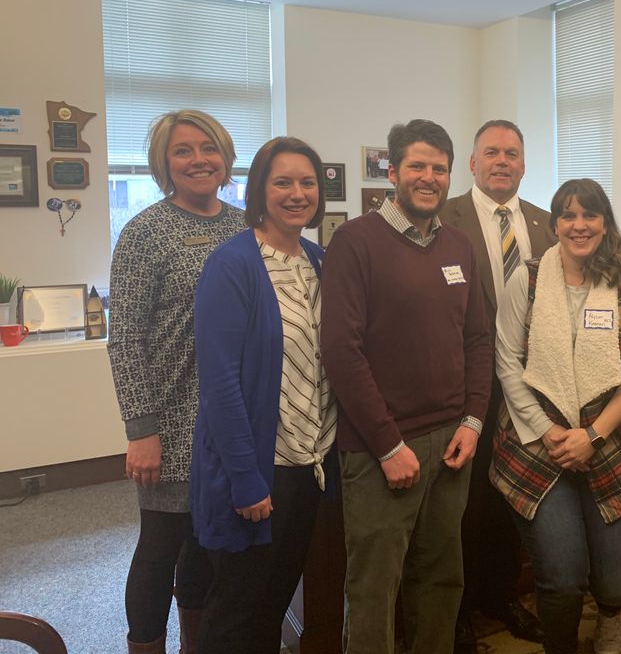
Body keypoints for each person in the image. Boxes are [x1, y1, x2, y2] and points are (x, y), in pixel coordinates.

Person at [321, 119, 492, 654]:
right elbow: (341, 353)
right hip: (381, 450)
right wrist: (388, 444)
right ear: (392, 172)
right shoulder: (354, 242)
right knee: (374, 587)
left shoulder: (459, 246)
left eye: (438, 168)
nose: (428, 177)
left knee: (442, 579)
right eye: (417, 166)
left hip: (452, 444)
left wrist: (473, 420)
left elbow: (479, 339)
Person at [490, 178, 621, 654]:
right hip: (537, 444)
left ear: (605, 223)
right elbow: (507, 363)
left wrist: (593, 434)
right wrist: (552, 433)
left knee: (613, 577)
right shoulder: (525, 279)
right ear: (555, 223)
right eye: (568, 215)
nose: (579, 225)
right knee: (562, 579)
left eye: (589, 215)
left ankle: (611, 622)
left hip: (614, 441)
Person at [189, 136, 336, 654]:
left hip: (307, 465)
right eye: (283, 182)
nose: (297, 193)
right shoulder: (232, 265)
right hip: (257, 470)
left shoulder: (319, 260)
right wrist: (248, 481)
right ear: (260, 189)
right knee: (235, 612)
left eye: (307, 182)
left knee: (272, 604)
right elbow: (221, 385)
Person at [108, 109, 245, 654]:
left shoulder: (242, 226)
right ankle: (145, 645)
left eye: (207, 148)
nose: (197, 160)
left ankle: (195, 644)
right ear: (164, 163)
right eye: (182, 150)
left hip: (229, 421)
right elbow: (126, 340)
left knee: (205, 543)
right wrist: (142, 430)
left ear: (225, 156)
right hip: (170, 422)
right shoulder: (145, 232)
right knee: (161, 544)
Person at [439, 119, 551, 649]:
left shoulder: (548, 224)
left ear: (524, 164)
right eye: (492, 152)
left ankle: (500, 594)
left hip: (531, 388)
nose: (502, 161)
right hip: (462, 387)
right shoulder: (443, 218)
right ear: (473, 163)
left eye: (512, 153)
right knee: (463, 501)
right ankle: (455, 609)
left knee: (512, 498)